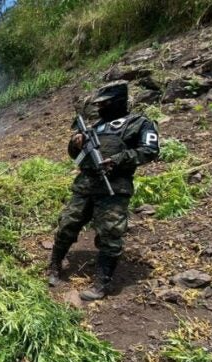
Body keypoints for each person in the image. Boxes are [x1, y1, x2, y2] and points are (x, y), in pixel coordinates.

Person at [48, 81, 160, 301]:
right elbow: (75, 156)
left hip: (113, 188)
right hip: (85, 185)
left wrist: (118, 159)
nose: (100, 108)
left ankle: (101, 283)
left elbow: (150, 151)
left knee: (110, 233)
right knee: (67, 224)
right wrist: (76, 143)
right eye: (99, 104)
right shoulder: (96, 126)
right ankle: (54, 267)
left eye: (105, 103)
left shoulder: (138, 123)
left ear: (118, 101)